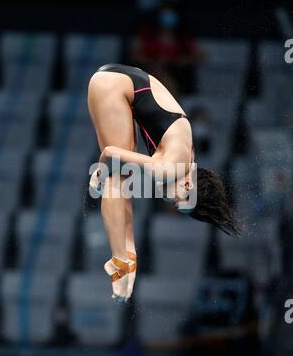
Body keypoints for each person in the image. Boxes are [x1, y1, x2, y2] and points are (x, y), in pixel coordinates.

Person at [87, 63, 239, 303]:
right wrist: (100, 174)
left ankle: (128, 259)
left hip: (124, 84)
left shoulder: (186, 159)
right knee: (117, 179)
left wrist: (131, 251)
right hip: (114, 85)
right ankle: (120, 264)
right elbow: (109, 154)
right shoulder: (168, 170)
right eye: (179, 202)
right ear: (189, 187)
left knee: (123, 179)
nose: (170, 201)